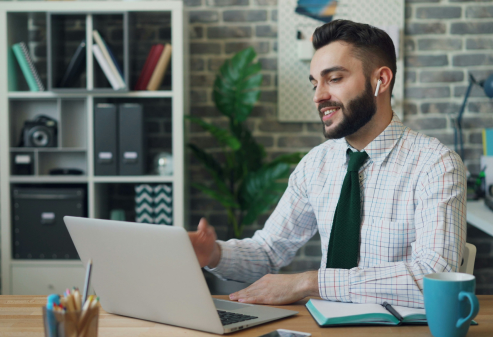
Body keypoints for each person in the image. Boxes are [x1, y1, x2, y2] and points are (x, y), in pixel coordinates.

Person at [188, 20, 466, 309]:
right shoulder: (316, 164)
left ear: (380, 80)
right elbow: (269, 250)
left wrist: (310, 283)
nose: (318, 96)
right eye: (315, 83)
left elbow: (437, 277)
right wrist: (212, 254)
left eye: (333, 79)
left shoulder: (435, 164)